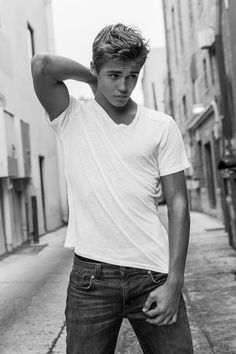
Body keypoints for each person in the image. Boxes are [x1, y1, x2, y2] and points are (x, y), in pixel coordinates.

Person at [31, 23, 193, 354]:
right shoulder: (72, 116)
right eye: (114, 75)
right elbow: (42, 65)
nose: (123, 86)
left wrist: (175, 282)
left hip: (153, 274)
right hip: (90, 281)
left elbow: (177, 203)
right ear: (96, 71)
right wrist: (92, 78)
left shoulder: (160, 126)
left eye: (132, 76)